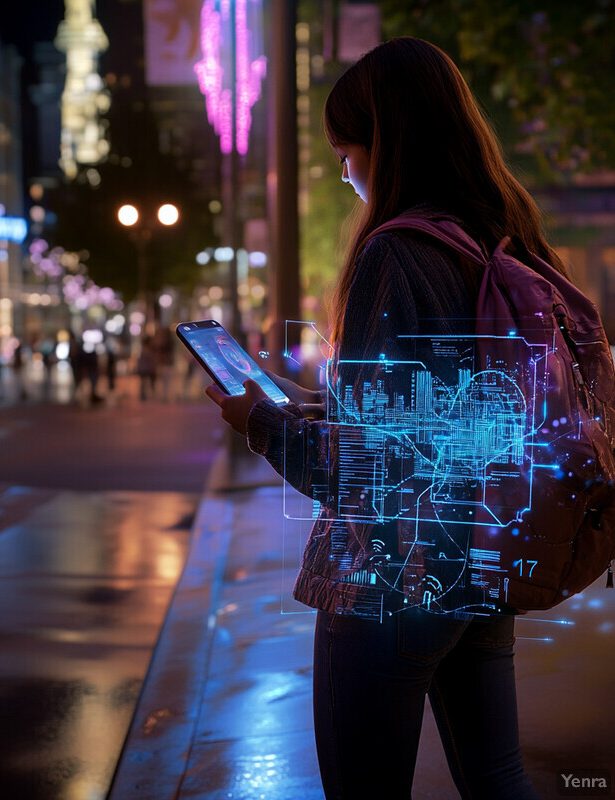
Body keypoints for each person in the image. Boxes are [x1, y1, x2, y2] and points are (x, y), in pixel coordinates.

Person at [204, 37, 558, 799]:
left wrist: (258, 423)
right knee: (499, 780)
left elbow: (366, 468)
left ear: (387, 145)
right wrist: (297, 405)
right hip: (486, 554)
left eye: (348, 149)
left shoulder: (394, 254)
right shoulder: (502, 237)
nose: (343, 170)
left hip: (390, 576)